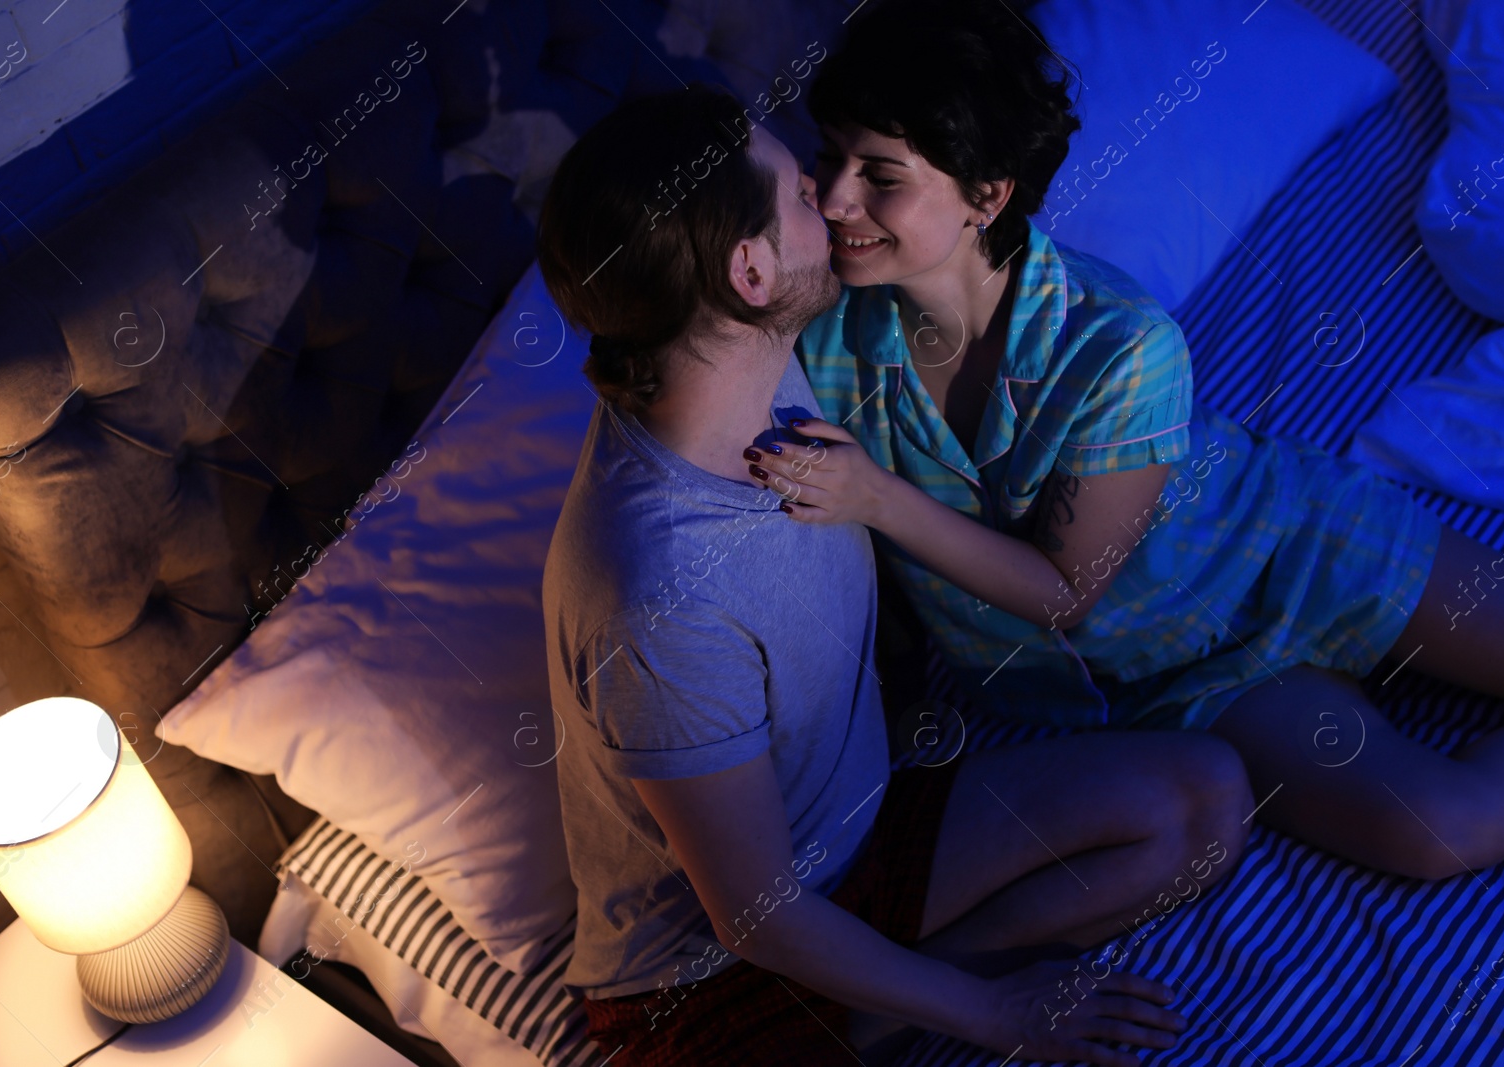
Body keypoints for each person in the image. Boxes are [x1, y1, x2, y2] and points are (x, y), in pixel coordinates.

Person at [537, 83, 1253, 1067]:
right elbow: (754, 913)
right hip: (714, 968)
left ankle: (882, 1006)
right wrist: (1001, 1014)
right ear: (748, 270)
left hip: (862, 833)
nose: (830, 205)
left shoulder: (738, 358)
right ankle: (880, 1009)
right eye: (797, 192)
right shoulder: (658, 594)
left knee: (1204, 799)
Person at [742, 0, 1504, 883]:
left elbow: (1065, 590)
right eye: (828, 157)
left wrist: (878, 499)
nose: (835, 196)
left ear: (988, 193)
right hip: (1179, 674)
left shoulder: (1121, 343)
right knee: (1436, 831)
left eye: (881, 175)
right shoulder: (824, 341)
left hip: (1291, 549)